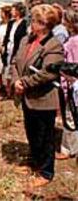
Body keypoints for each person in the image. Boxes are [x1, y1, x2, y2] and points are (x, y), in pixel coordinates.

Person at [12, 4, 64, 188]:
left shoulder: (53, 45)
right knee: (32, 133)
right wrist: (16, 81)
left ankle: (46, 172)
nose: (31, 23)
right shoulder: (26, 40)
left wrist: (24, 83)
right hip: (26, 96)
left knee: (45, 138)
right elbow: (15, 62)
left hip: (43, 98)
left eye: (34, 21)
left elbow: (49, 73)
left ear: (44, 24)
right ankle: (34, 162)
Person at [56, 9, 78, 161]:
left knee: (70, 117)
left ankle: (68, 149)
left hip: (72, 85)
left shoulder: (70, 44)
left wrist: (64, 87)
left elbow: (66, 68)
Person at [1, 2, 28, 99]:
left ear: (18, 11)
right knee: (7, 69)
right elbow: (7, 36)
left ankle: (15, 92)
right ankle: (8, 92)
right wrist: (4, 46)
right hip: (8, 48)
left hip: (17, 49)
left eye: (13, 9)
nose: (11, 11)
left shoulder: (24, 24)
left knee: (14, 69)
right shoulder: (11, 23)